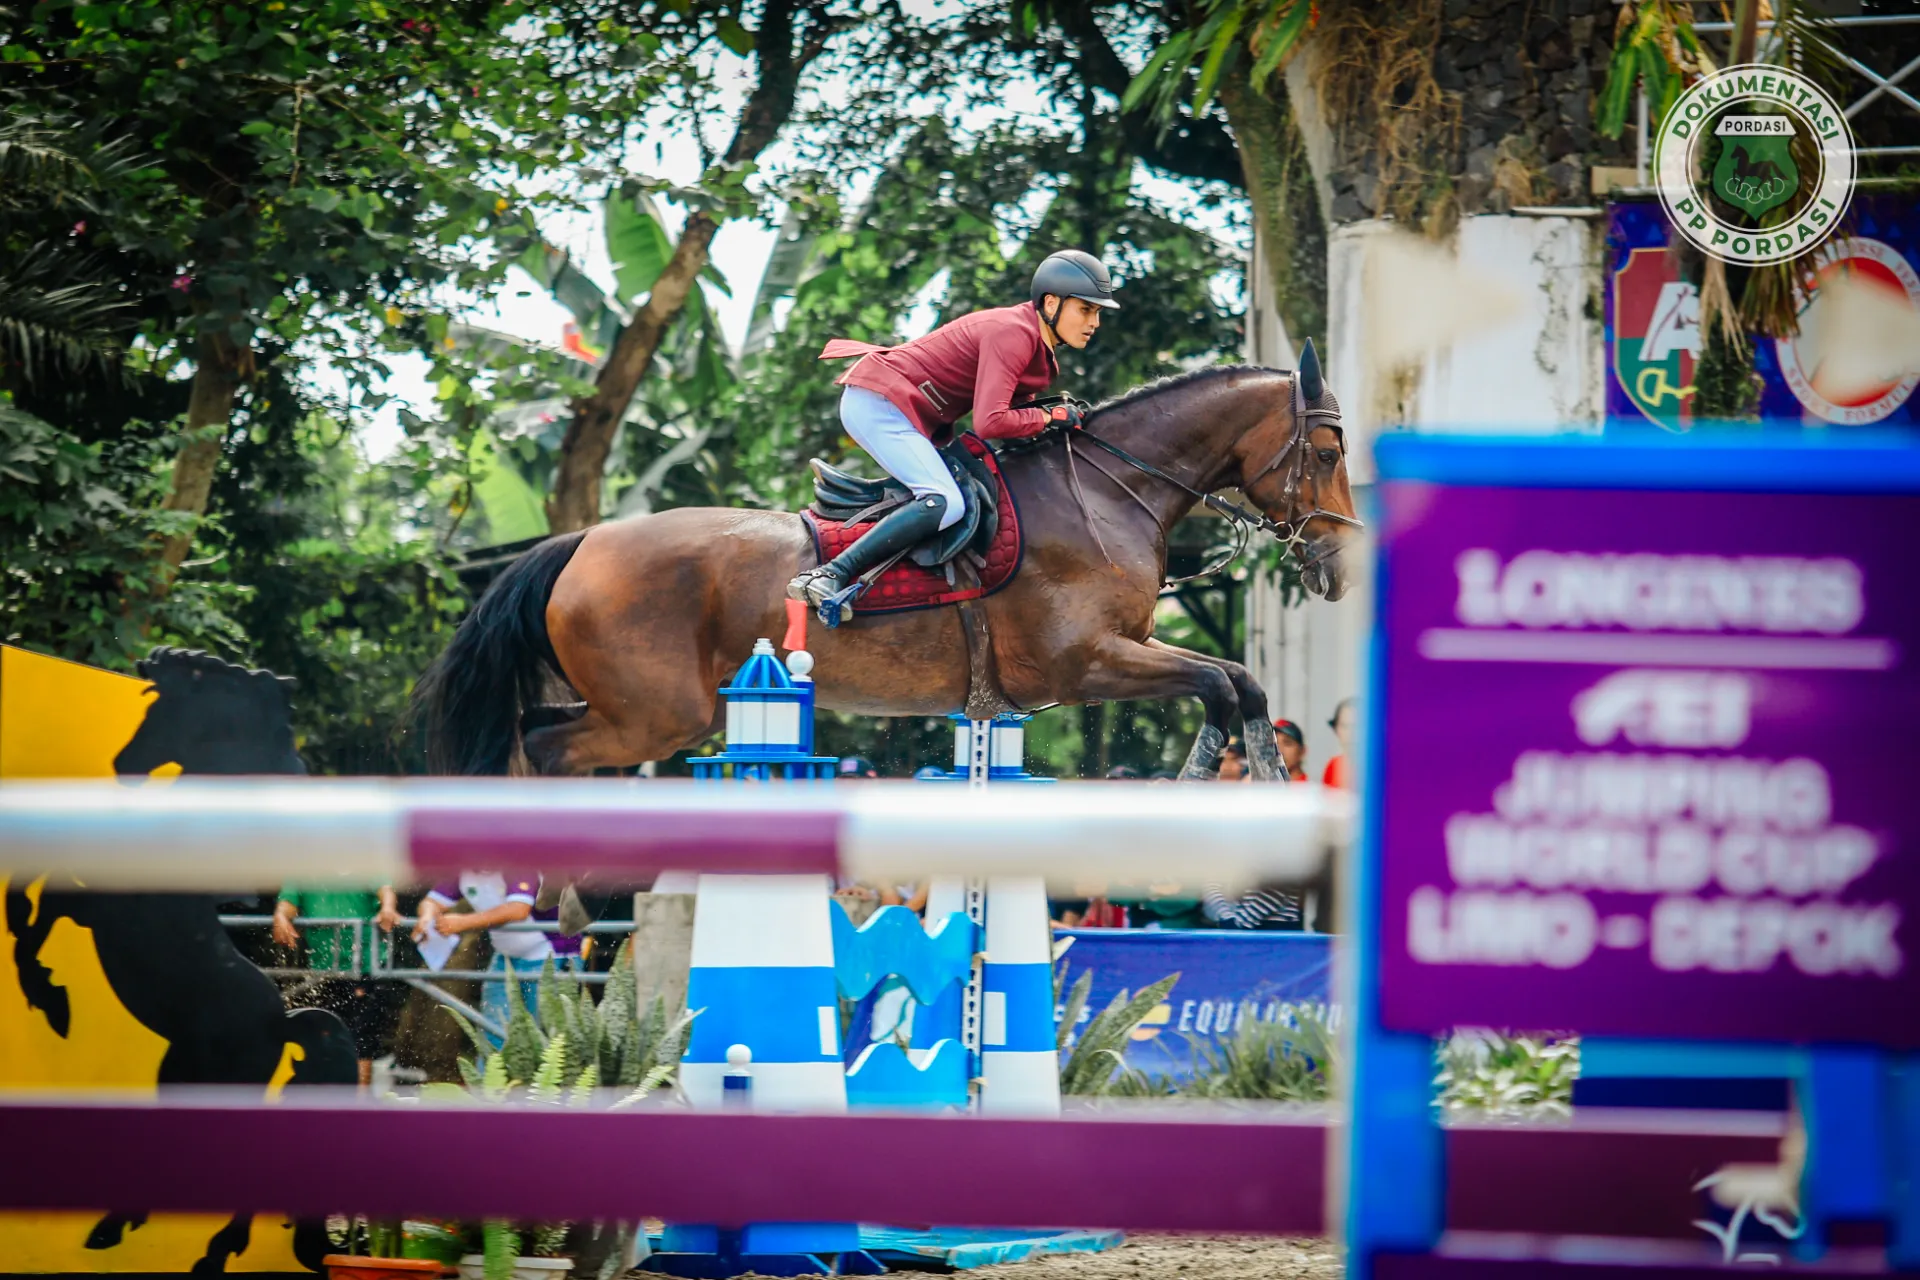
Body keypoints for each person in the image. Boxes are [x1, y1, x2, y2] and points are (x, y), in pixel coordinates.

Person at [788, 250, 1118, 616]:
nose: (1094, 323)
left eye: (1098, 312)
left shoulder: (1036, 346)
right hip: (880, 404)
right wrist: (1050, 415)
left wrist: (1055, 421)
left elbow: (1016, 423)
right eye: (1085, 310)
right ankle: (830, 574)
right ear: (1051, 303)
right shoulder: (1014, 333)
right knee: (944, 501)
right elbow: (990, 423)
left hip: (903, 409)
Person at [415, 871, 579, 1047]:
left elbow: (518, 909)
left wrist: (463, 922)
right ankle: (491, 1064)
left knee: (546, 1036)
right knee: (493, 1027)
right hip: (505, 957)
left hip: (552, 955)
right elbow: (431, 901)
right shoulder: (463, 870)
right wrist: (427, 917)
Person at [272, 884, 402, 1086]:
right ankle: (328, 1098)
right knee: (325, 1037)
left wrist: (387, 908)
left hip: (365, 966)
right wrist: (281, 916)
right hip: (323, 969)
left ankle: (357, 1102)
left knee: (360, 1041)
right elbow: (288, 902)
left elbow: (385, 889)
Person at [1322, 698, 1356, 789]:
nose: (1351, 733)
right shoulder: (1333, 766)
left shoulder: (1382, 767)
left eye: (1357, 726)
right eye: (1345, 726)